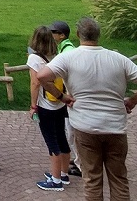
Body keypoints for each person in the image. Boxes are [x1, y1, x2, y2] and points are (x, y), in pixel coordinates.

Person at [37, 17, 137, 201]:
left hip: (85, 127)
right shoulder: (118, 59)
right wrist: (132, 101)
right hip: (115, 127)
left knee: (92, 180)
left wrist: (62, 97)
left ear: (78, 35)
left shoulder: (69, 57)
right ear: (99, 35)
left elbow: (42, 76)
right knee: (119, 179)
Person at [28, 26, 72, 191]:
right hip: (59, 103)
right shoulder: (58, 55)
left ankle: (55, 180)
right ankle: (63, 173)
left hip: (45, 105)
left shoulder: (34, 58)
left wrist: (33, 105)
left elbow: (35, 83)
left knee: (51, 141)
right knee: (61, 137)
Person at [51, 20, 83, 179]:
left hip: (72, 96)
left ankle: (81, 165)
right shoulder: (65, 47)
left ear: (61, 35)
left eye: (53, 32)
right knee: (70, 131)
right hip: (71, 95)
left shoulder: (67, 50)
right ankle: (77, 160)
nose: (51, 35)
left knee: (72, 132)